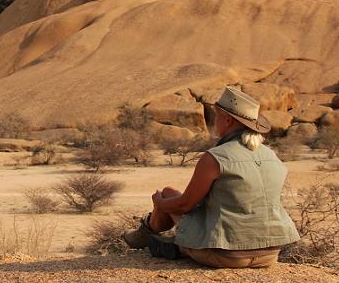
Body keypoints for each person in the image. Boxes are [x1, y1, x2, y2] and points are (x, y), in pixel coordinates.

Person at [123, 86, 300, 268]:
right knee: (170, 192)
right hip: (269, 254)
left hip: (226, 254)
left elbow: (185, 205)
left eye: (216, 116)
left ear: (228, 120)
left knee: (166, 196)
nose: (214, 120)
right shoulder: (272, 156)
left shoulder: (216, 157)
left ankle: (152, 236)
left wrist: (159, 203)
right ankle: (158, 237)